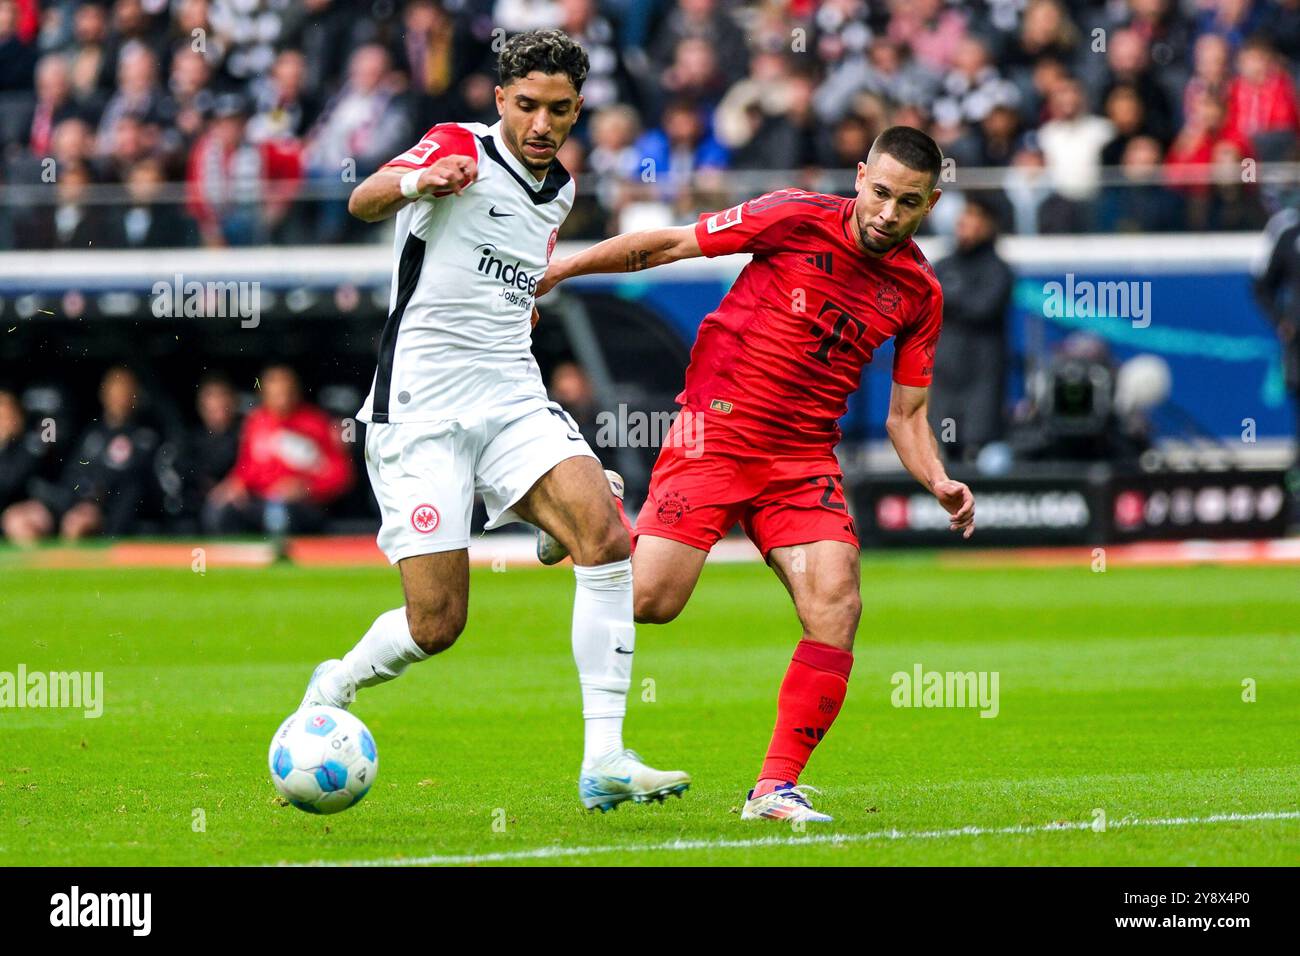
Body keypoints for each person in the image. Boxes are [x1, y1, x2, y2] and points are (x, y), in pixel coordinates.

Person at [298, 30, 689, 813]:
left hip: (510, 391)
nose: (543, 123)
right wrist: (421, 183)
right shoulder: (456, 146)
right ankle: (336, 680)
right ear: (500, 99)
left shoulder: (563, 192)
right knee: (438, 624)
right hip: (422, 407)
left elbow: (510, 279)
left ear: (578, 109)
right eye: (528, 106)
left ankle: (605, 757)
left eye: (560, 109)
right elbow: (362, 198)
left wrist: (513, 311)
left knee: (610, 537)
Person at [538, 126, 976, 823]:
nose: (888, 213)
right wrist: (560, 270)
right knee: (650, 601)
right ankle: (592, 519)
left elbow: (908, 415)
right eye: (882, 192)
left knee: (837, 604)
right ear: (860, 176)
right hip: (718, 431)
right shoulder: (794, 215)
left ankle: (773, 789)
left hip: (802, 460)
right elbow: (670, 243)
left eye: (909, 202)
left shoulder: (919, 290)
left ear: (932, 204)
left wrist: (938, 479)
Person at [2, 367, 161, 544]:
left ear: (135, 395)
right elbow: (73, 473)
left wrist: (93, 502)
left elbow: (132, 488)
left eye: (124, 390)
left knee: (76, 525)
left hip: (102, 511)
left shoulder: (144, 437)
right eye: (114, 390)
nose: (118, 396)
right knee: (16, 520)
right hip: (65, 502)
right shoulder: (91, 433)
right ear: (103, 392)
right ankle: (39, 570)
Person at [204, 365, 352, 536]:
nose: (282, 400)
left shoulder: (318, 424)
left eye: (287, 393)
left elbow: (341, 475)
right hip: (262, 500)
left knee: (279, 514)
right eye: (276, 394)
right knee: (219, 508)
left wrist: (308, 487)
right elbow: (247, 468)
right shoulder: (256, 422)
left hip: (302, 504)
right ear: (264, 395)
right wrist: (236, 484)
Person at [929, 194, 1014, 462]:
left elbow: (983, 307)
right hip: (945, 378)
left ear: (988, 225)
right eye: (964, 215)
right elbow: (927, 301)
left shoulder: (998, 270)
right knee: (946, 447)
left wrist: (949, 299)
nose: (964, 222)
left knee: (980, 451)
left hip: (981, 379)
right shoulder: (943, 265)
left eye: (974, 216)